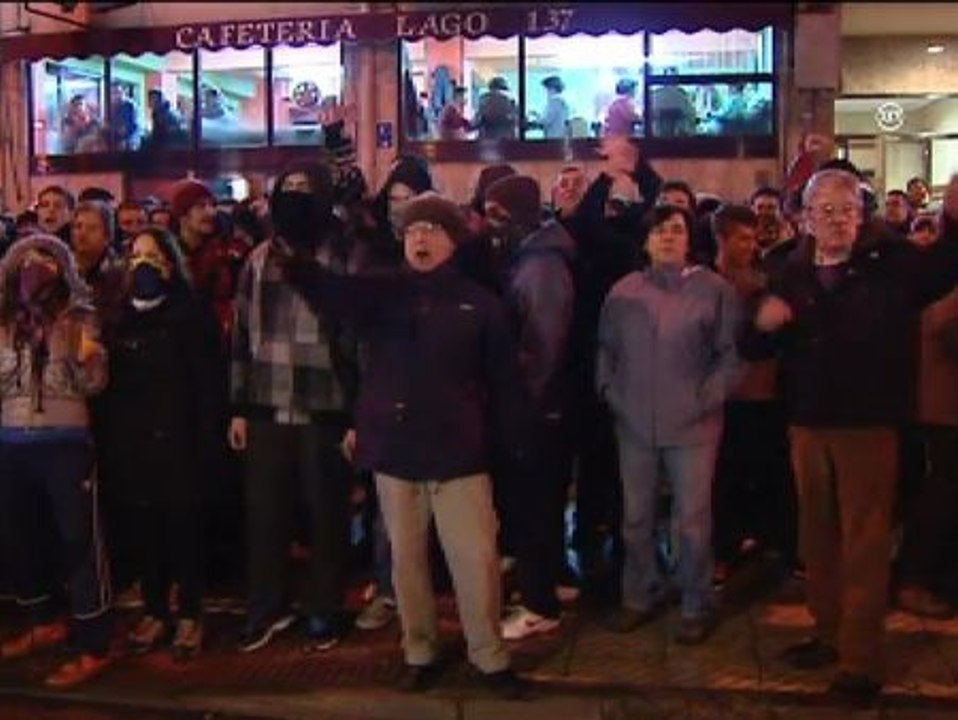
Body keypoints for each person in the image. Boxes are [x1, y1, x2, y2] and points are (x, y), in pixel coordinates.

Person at [280, 192, 529, 699]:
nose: (421, 238)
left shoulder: (480, 303)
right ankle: (420, 651)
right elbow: (333, 296)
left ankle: (489, 656)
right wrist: (299, 264)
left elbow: (505, 381)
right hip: (395, 449)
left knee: (476, 561)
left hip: (460, 453)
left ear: (453, 241)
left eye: (432, 229)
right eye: (413, 230)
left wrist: (513, 444)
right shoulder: (384, 292)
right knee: (406, 563)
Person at [743, 169, 958, 704]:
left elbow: (943, 269)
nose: (837, 220)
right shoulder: (791, 272)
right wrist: (762, 323)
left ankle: (860, 661)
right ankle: (827, 632)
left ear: (862, 216)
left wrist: (953, 216)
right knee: (815, 535)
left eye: (847, 209)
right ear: (806, 218)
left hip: (868, 423)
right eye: (826, 210)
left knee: (864, 541)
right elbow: (755, 344)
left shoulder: (891, 266)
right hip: (808, 421)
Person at [597, 204, 742, 644]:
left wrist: (706, 398)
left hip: (694, 426)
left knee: (691, 520)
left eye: (676, 230)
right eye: (659, 231)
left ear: (689, 239)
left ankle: (695, 602)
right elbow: (606, 349)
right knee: (636, 517)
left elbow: (731, 355)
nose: (667, 238)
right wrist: (610, 391)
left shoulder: (714, 290)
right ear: (645, 240)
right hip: (634, 423)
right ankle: (639, 595)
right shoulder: (623, 292)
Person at [98, 226, 220, 661]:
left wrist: (206, 439)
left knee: (184, 529)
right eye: (135, 256)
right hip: (135, 443)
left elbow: (207, 382)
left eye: (153, 256)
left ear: (170, 263)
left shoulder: (190, 313)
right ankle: (154, 609)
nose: (143, 265)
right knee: (144, 529)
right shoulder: (119, 318)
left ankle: (189, 614)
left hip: (180, 439)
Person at [0, 234, 113, 688]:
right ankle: (41, 619)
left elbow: (94, 383)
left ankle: (94, 641)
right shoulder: (5, 320)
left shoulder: (78, 317)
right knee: (21, 535)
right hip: (12, 439)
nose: (35, 268)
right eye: (27, 261)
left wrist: (85, 357)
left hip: (65, 442)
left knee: (78, 540)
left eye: (45, 261)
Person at [110, 84, 139, 151]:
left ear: (123, 92)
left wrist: (127, 139)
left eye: (117, 92)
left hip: (129, 142)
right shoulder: (111, 106)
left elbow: (133, 126)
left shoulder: (130, 105)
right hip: (115, 142)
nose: (115, 96)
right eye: (113, 93)